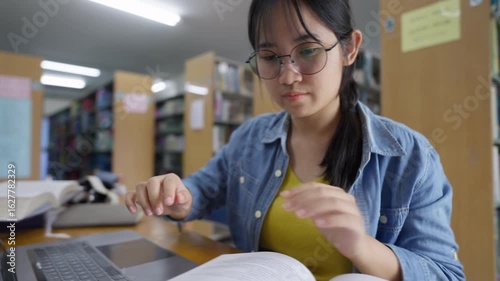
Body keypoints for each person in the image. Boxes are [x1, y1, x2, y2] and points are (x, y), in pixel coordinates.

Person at [125, 1, 465, 280]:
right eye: (270, 57)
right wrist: (179, 198)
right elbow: (204, 188)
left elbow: (445, 273)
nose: (288, 77)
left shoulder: (408, 155)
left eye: (308, 51)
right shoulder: (249, 138)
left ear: (350, 49)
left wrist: (361, 245)